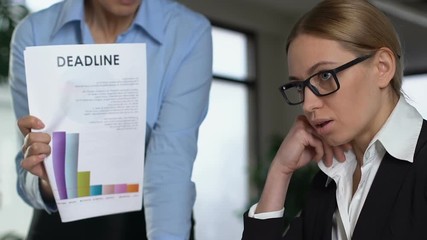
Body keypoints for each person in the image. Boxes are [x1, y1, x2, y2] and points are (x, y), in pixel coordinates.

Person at [9, 0, 212, 239]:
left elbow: (171, 161)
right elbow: (29, 167)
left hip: (150, 214)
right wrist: (47, 182)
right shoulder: (34, 32)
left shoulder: (187, 32)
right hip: (63, 214)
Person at [241, 0, 427, 239]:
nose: (308, 104)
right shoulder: (328, 181)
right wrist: (280, 171)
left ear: (382, 67)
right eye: (300, 86)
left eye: (325, 75)